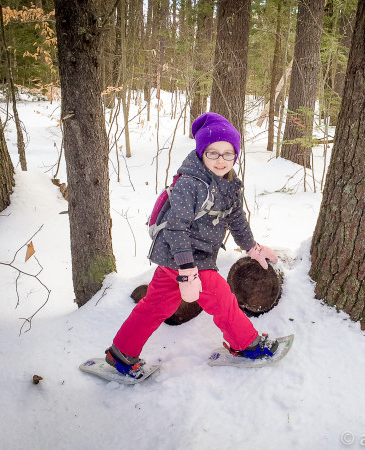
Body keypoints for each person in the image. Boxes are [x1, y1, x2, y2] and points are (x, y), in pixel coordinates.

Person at [105, 112, 279, 378]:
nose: (221, 161)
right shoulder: (190, 183)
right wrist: (187, 272)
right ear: (201, 153)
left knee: (155, 306)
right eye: (213, 153)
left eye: (228, 154)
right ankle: (247, 345)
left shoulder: (228, 184)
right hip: (184, 257)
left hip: (189, 259)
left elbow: (236, 219)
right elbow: (176, 228)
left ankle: (120, 354)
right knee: (222, 299)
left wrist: (252, 248)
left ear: (236, 156)